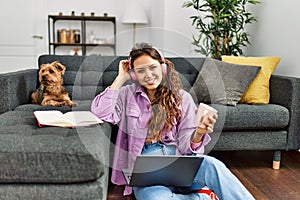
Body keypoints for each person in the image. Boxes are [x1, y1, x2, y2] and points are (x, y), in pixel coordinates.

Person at [91, 43, 255, 200]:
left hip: (178, 159)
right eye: (140, 71)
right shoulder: (127, 94)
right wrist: (121, 77)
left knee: (212, 165)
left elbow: (186, 145)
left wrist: (198, 133)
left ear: (162, 67)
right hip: (146, 169)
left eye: (153, 67)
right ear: (134, 74)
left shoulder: (183, 98)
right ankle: (203, 197)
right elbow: (101, 112)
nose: (148, 75)